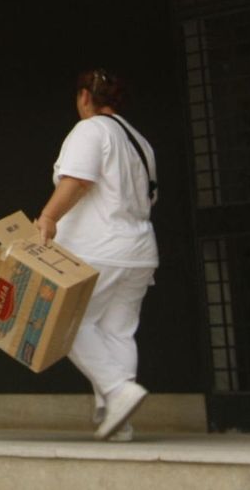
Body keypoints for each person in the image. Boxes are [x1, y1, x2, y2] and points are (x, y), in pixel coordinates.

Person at [37, 68, 158, 442]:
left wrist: (48, 217)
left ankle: (119, 393)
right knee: (118, 332)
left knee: (65, 324)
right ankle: (118, 420)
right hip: (138, 251)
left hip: (97, 249)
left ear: (85, 97)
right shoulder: (140, 142)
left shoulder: (90, 130)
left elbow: (79, 179)